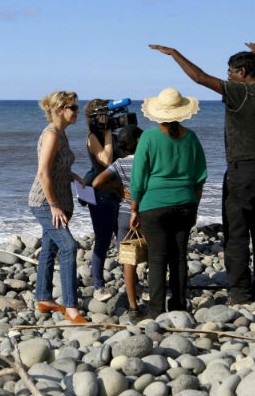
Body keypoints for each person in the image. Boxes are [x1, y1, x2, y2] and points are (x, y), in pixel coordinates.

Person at [148, 42, 255, 304]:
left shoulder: (239, 91)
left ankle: (241, 293)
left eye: (231, 71)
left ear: (242, 72)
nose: (228, 75)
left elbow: (200, 78)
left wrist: (175, 53)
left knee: (237, 233)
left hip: (242, 169)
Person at [128, 88, 206, 318]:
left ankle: (155, 310)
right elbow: (200, 177)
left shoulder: (149, 138)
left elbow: (138, 178)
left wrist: (134, 208)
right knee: (179, 256)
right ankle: (179, 305)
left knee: (157, 258)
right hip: (186, 203)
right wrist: (194, 206)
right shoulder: (191, 137)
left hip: (154, 205)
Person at [28, 91, 88, 324]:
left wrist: (72, 175)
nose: (77, 111)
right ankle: (71, 307)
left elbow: (55, 165)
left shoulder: (62, 134)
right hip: (45, 202)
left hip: (59, 200)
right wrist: (54, 206)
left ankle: (44, 298)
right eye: (73, 108)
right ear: (60, 110)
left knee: (49, 249)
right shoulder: (52, 134)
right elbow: (42, 173)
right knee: (69, 246)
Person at [92, 125, 143, 321]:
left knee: (127, 258)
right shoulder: (147, 160)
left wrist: (117, 188)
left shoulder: (120, 163)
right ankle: (152, 295)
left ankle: (132, 305)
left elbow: (96, 182)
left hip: (124, 213)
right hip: (146, 211)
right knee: (153, 254)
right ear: (139, 141)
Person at [83, 99, 122, 302]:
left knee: (124, 240)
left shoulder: (113, 136)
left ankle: (134, 283)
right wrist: (107, 133)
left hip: (117, 192)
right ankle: (98, 286)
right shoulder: (92, 137)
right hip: (100, 194)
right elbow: (106, 161)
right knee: (103, 240)